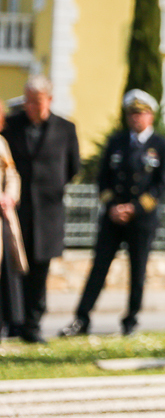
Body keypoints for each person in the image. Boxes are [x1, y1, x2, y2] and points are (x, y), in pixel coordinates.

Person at [59, 90, 165, 338]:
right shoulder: (117, 142)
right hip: (113, 218)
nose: (135, 118)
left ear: (151, 115)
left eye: (140, 113)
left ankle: (131, 319)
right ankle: (82, 318)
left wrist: (135, 208)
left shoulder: (161, 145)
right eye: (131, 113)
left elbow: (162, 185)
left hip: (141, 219)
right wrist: (112, 206)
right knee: (99, 268)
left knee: (137, 271)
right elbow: (102, 179)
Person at [2, 75, 81, 344]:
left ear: (49, 100)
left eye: (36, 102)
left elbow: (73, 167)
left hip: (48, 212)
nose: (30, 107)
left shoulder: (66, 128)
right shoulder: (11, 126)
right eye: (27, 101)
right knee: (13, 268)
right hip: (16, 211)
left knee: (39, 270)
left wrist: (51, 188)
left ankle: (33, 326)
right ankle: (13, 323)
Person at [0, 110, 25, 340]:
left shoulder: (1, 143)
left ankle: (12, 321)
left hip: (3, 216)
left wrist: (9, 195)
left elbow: (12, 173)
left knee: (8, 271)